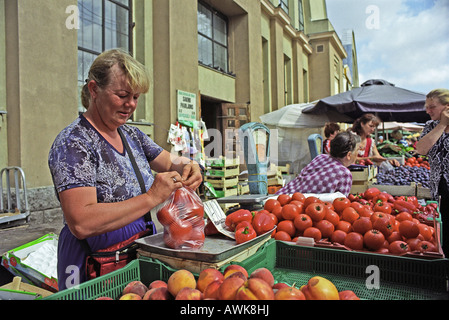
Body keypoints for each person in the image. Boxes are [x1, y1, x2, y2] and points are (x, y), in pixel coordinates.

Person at [48, 49, 203, 290]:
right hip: (95, 265)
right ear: (93, 89)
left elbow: (168, 160)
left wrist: (191, 166)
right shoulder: (74, 143)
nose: (130, 104)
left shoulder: (131, 135)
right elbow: (82, 222)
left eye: (136, 97)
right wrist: (152, 197)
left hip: (133, 255)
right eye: (122, 95)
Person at [415, 88, 449, 257]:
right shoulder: (431, 126)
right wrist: (442, 125)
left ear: (447, 107)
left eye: (432, 107)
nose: (427, 111)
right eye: (427, 107)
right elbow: (421, 149)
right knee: (443, 234)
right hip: (439, 189)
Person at [275, 132, 361, 197]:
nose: (358, 153)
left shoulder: (320, 157)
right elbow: (340, 204)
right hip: (297, 208)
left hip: (280, 197)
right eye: (357, 150)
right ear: (349, 155)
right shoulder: (345, 174)